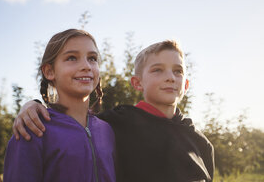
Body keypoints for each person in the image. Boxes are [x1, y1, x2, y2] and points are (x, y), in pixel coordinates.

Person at [13, 40, 215, 182]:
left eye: (178, 71)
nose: (170, 77)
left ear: (186, 84)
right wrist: (32, 104)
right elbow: (78, 125)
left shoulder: (201, 143)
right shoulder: (117, 122)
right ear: (137, 82)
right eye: (157, 70)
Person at [3, 29, 116, 182]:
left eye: (92, 58)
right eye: (72, 58)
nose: (86, 66)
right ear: (49, 71)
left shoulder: (107, 130)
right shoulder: (33, 128)